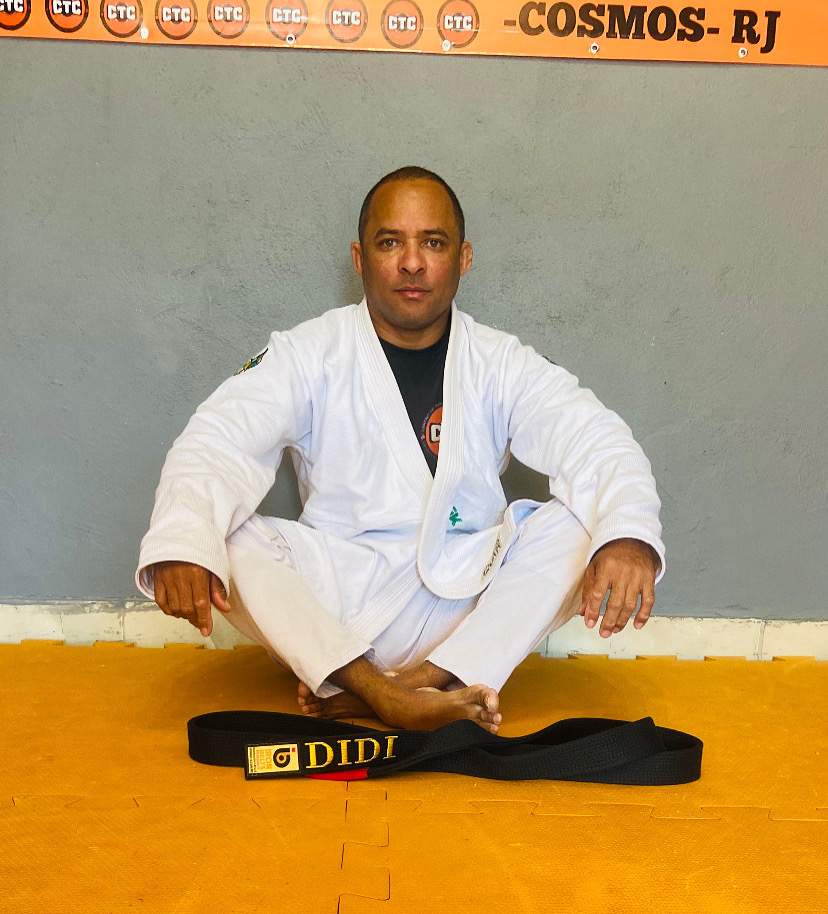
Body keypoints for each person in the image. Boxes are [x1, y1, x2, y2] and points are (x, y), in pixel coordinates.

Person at [135, 166, 665, 736]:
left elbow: (596, 438)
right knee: (226, 534)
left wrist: (628, 537)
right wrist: (184, 541)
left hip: (463, 601)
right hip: (335, 603)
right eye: (390, 243)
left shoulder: (501, 361)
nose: (412, 263)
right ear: (360, 259)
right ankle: (387, 694)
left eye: (433, 243)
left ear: (463, 259)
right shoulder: (308, 353)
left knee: (586, 524)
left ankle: (415, 685)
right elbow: (219, 438)